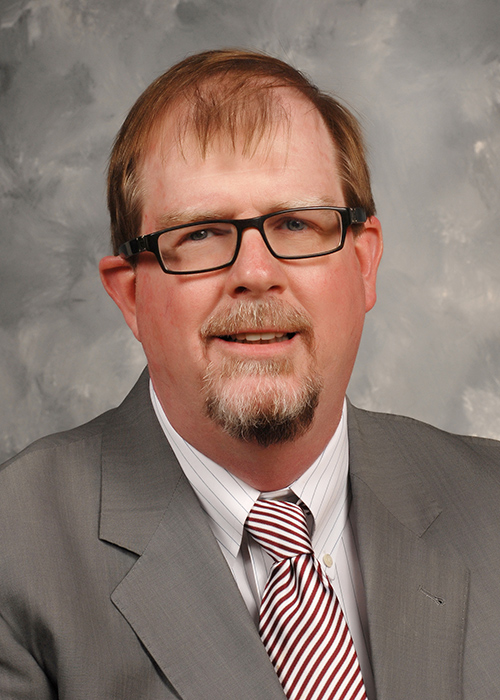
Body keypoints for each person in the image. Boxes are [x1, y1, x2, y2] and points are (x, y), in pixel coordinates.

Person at [0, 49, 499, 700]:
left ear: (364, 263)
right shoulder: (17, 551)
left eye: (295, 223)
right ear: (129, 296)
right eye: (202, 233)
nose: (256, 273)